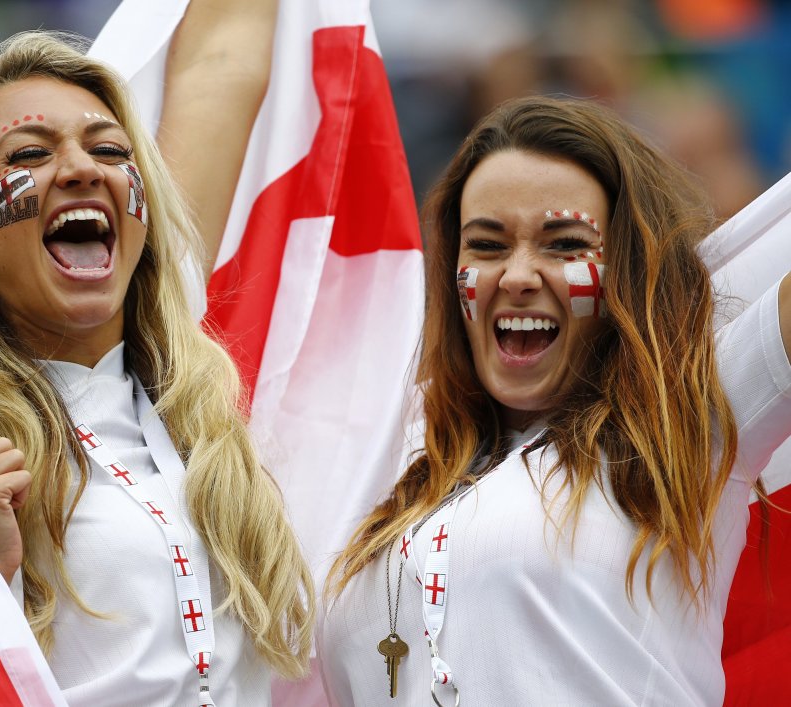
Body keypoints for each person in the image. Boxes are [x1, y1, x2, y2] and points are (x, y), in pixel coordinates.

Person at [0, 4, 314, 704]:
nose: (80, 169)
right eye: (29, 154)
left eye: (108, 149)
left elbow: (225, 68)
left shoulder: (200, 400)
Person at [320, 96, 791, 705]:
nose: (517, 276)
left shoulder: (684, 416)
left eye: (565, 243)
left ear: (626, 269)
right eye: (486, 246)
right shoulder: (394, 456)